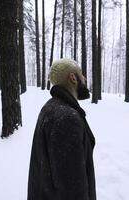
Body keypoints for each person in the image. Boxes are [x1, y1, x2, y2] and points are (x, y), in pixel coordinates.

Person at [27, 58, 96, 200]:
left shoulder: (51, 108)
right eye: (81, 74)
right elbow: (72, 189)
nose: (84, 78)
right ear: (73, 78)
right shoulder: (66, 118)